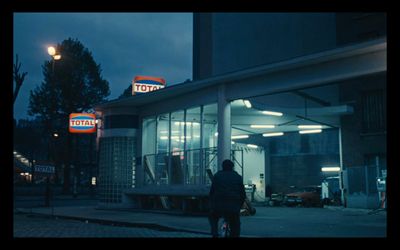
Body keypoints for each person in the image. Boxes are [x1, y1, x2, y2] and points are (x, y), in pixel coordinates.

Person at [208, 159, 246, 237]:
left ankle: (214, 232)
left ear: (222, 167)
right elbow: (243, 194)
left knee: (213, 217)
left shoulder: (217, 175)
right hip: (233, 206)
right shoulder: (238, 177)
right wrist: (239, 205)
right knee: (235, 223)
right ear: (232, 167)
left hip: (219, 205)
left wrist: (212, 204)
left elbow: (212, 192)